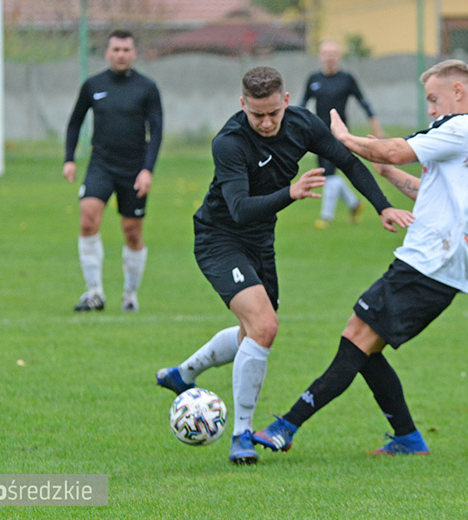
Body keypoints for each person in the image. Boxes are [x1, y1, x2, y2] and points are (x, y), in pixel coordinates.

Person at [155, 66, 414, 464]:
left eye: (273, 112)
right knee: (264, 326)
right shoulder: (229, 142)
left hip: (261, 241)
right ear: (243, 105)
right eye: (256, 114)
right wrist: (290, 193)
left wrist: (383, 207)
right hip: (219, 239)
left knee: (253, 333)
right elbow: (239, 210)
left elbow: (347, 160)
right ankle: (241, 433)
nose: (266, 122)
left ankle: (183, 374)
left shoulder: (301, 124)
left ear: (287, 101)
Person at [252, 59, 468, 456]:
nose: (432, 109)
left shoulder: (461, 127)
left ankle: (286, 426)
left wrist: (346, 141)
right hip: (438, 264)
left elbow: (396, 148)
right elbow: (429, 192)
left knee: (356, 338)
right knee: (364, 345)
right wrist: (385, 173)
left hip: (428, 264)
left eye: (434, 99)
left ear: (458, 91)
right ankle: (407, 438)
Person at [63, 30, 163, 312]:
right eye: (116, 49)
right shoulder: (93, 84)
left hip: (134, 168)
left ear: (134, 54)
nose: (121, 54)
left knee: (132, 231)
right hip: (101, 165)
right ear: (107, 53)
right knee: (87, 220)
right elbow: (75, 123)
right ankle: (94, 292)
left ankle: (130, 295)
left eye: (126, 50)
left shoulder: (147, 88)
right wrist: (69, 159)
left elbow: (156, 132)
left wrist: (147, 170)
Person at [301, 38, 384, 229]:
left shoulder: (346, 79)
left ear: (338, 56)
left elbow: (364, 102)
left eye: (333, 53)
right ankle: (354, 204)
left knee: (329, 173)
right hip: (317, 134)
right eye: (326, 53)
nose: (329, 57)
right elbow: (303, 103)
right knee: (327, 174)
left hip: (340, 134)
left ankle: (326, 217)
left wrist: (376, 126)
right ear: (320, 56)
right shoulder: (314, 79)